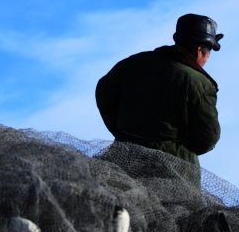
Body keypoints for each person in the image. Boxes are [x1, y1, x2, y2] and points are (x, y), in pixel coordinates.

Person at [95, 14, 222, 166]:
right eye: (208, 54)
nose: (206, 60)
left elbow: (104, 92)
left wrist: (123, 132)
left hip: (124, 157)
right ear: (199, 49)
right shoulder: (200, 83)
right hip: (173, 169)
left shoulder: (134, 62)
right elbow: (208, 137)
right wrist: (179, 148)